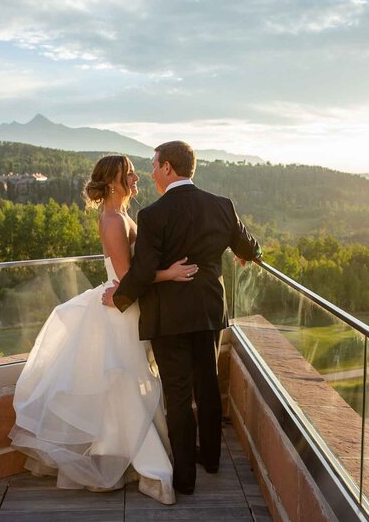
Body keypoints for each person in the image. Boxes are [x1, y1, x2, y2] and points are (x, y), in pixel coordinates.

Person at [9, 154, 197, 505]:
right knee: (126, 387)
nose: (135, 177)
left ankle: (116, 458)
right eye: (128, 174)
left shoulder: (122, 216)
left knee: (125, 388)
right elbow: (127, 278)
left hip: (124, 304)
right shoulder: (113, 221)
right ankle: (146, 466)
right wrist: (169, 274)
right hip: (119, 310)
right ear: (113, 181)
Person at [103, 141, 261, 495]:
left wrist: (120, 297)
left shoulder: (153, 216)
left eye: (155, 164)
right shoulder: (222, 206)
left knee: (177, 395)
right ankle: (213, 460)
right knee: (207, 386)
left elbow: (142, 272)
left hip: (168, 316)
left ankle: (185, 479)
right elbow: (251, 247)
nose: (151, 171)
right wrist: (248, 255)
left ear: (169, 168)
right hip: (207, 310)